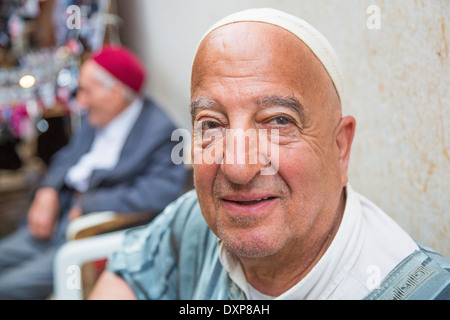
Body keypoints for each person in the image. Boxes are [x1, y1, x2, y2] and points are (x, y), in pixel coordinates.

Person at [89, 8, 449, 300]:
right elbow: (127, 274)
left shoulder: (421, 290)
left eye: (279, 121)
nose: (237, 167)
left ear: (340, 148)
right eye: (212, 125)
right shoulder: (194, 224)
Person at [0, 45, 186, 299]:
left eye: (86, 91)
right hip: (56, 218)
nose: (80, 102)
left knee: (8, 287)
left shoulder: (162, 133)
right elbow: (67, 157)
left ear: (116, 93)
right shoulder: (96, 117)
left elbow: (159, 193)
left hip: (87, 234)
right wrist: (48, 190)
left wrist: (90, 203)